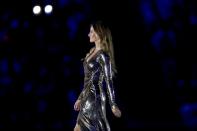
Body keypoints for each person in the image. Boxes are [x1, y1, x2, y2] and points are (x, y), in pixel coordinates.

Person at [73, 20, 122, 131]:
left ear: (99, 34)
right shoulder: (91, 52)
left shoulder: (103, 56)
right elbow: (87, 80)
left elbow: (108, 80)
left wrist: (113, 105)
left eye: (91, 31)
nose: (88, 34)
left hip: (94, 100)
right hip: (86, 99)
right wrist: (80, 98)